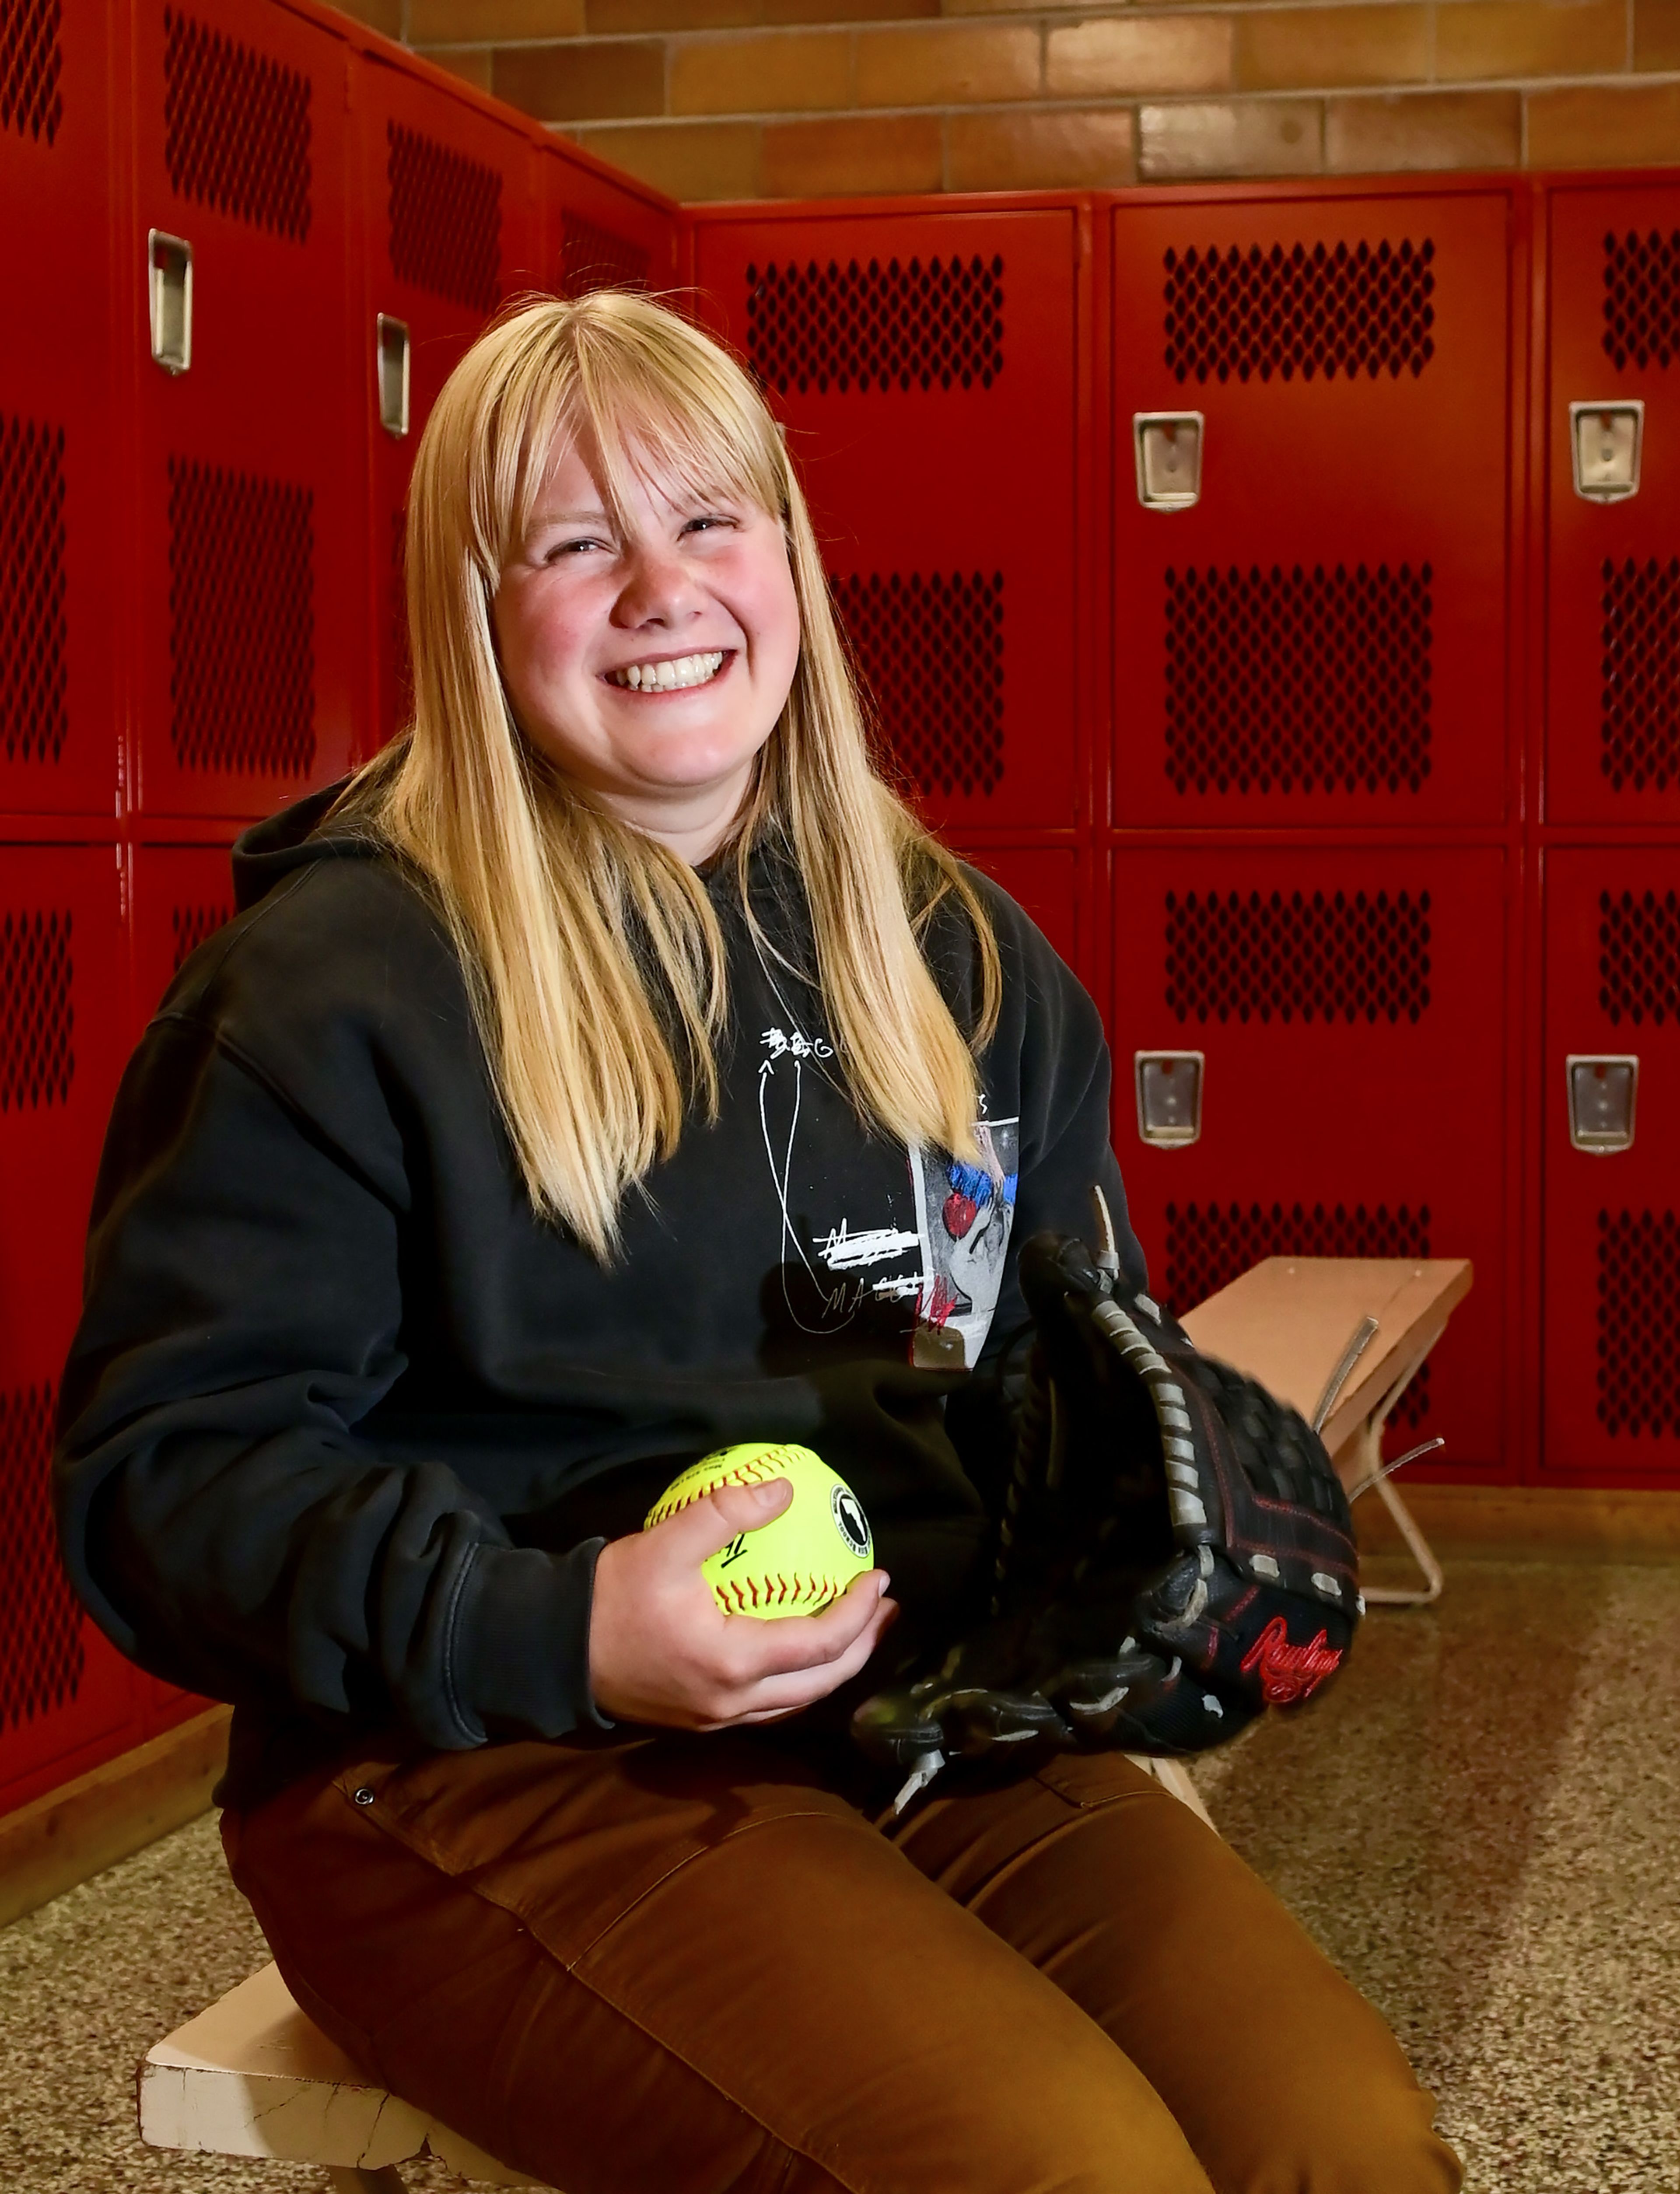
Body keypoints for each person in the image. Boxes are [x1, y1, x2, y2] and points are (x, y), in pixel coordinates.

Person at [56, 294, 1459, 2194]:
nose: (661, 586)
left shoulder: (955, 955)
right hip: (476, 1757)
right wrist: (570, 1627)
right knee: (1057, 2170)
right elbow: (166, 1488)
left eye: (711, 520)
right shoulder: (332, 991)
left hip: (914, 1712)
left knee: (1345, 2149)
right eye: (573, 543)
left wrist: (1152, 1558)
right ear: (475, 610)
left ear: (788, 557)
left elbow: (1053, 1353)